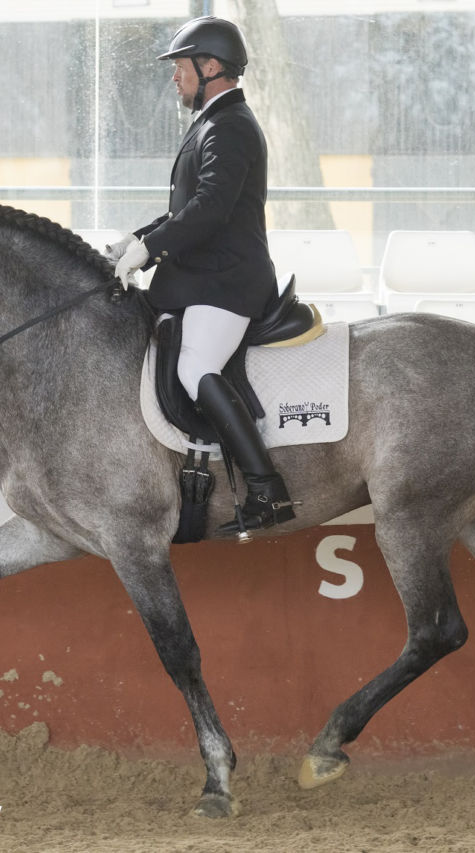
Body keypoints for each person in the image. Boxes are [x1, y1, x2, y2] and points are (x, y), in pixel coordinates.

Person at [107, 16, 295, 537]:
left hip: (227, 283)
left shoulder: (230, 125)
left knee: (194, 367)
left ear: (210, 66)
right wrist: (137, 240)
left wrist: (151, 249)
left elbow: (210, 209)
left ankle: (266, 489)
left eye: (181, 66)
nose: (175, 76)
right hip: (206, 279)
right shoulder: (213, 122)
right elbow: (188, 208)